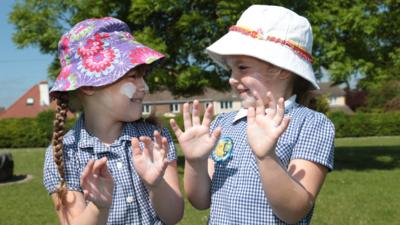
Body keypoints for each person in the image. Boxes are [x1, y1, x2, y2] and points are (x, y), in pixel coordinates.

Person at [170, 5, 334, 225]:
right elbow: (201, 201)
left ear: (282, 68)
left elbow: (294, 211)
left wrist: (266, 157)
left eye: (243, 68)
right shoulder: (223, 124)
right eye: (231, 69)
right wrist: (195, 161)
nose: (231, 78)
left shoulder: (311, 124)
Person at [43, 17, 183, 225]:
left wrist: (156, 185)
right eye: (133, 76)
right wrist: (98, 206)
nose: (144, 87)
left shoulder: (154, 139)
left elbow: (173, 216)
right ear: (89, 85)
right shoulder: (65, 154)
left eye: (143, 76)